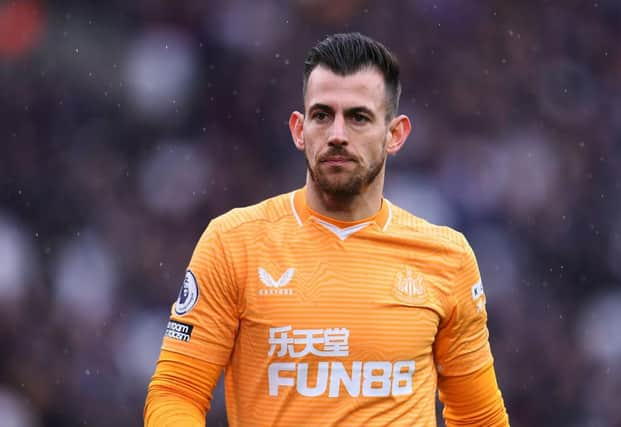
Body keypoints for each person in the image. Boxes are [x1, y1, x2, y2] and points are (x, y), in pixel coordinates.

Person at [144, 32, 509, 426]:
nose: (337, 134)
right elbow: (177, 392)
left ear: (395, 134)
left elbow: (479, 418)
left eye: (358, 117)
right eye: (322, 115)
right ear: (299, 130)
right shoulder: (234, 243)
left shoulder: (447, 259)